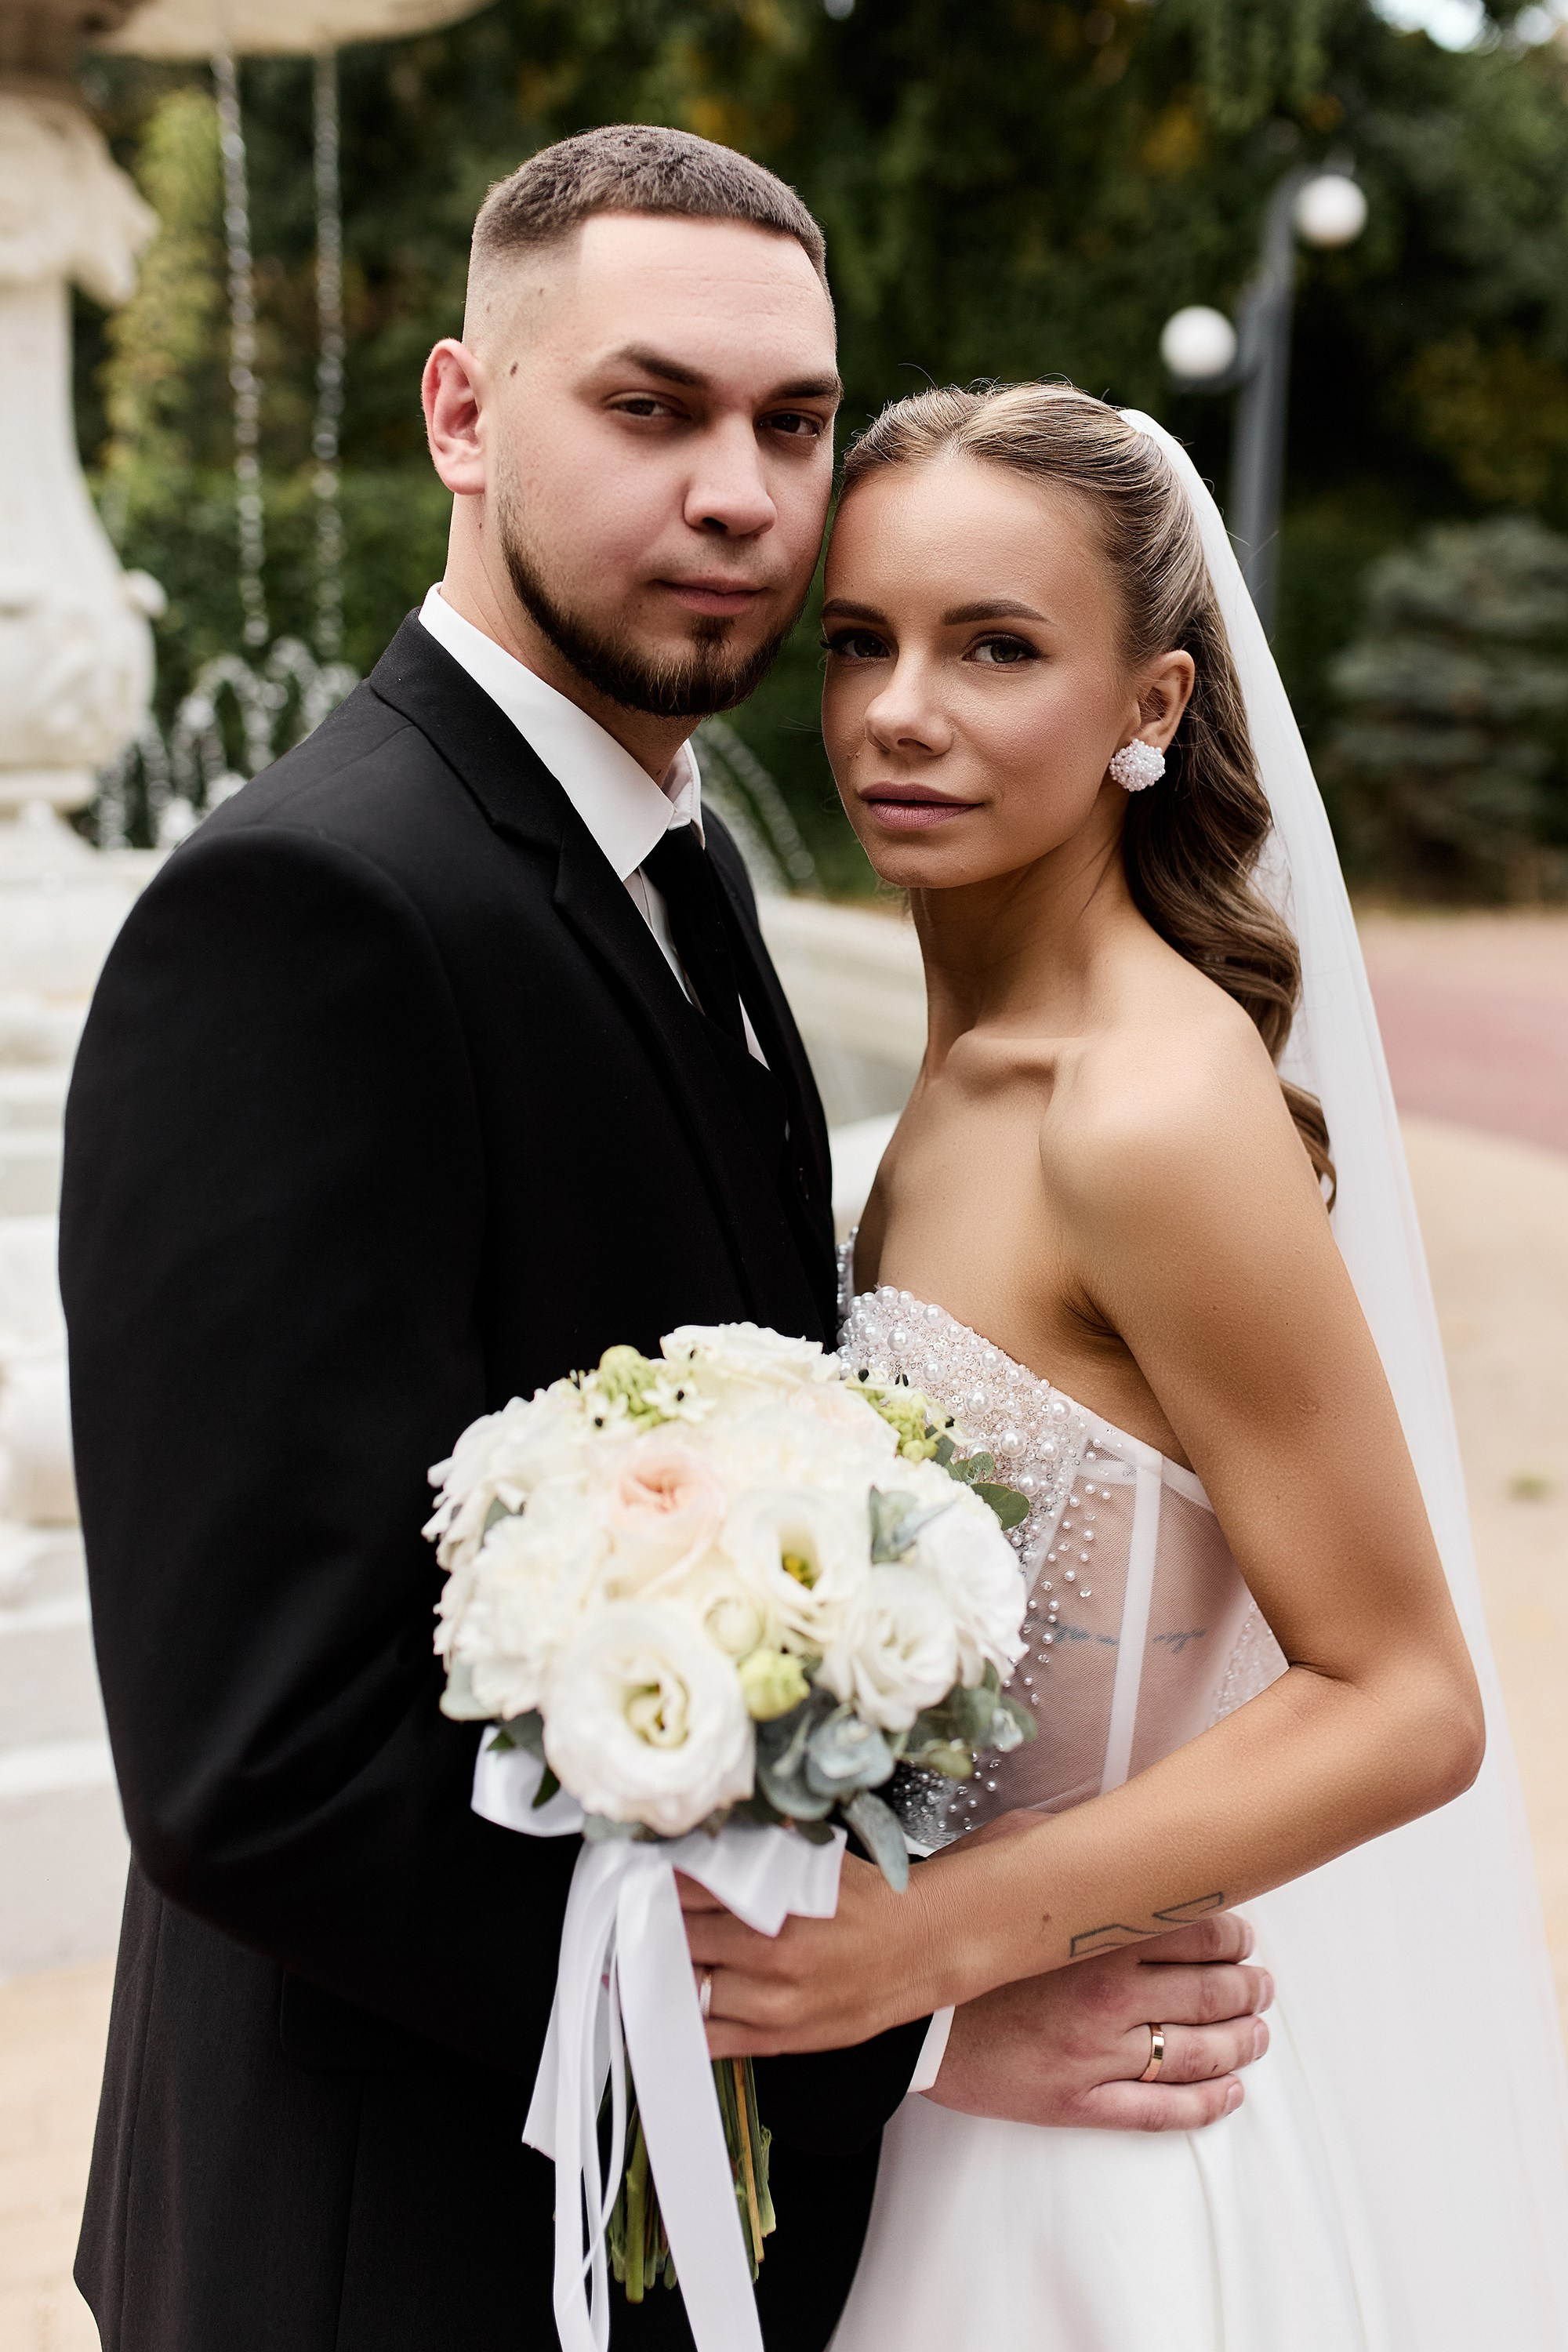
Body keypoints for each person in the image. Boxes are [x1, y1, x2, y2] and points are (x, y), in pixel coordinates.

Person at [61, 137, 1272, 2352]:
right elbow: (265, 1770)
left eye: (790, 424)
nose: (738, 490)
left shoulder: (684, 874)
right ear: (461, 413)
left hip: (639, 2233)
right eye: (650, 408)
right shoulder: (312, 913)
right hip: (387, 2243)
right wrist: (889, 2019)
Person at [681, 383, 1568, 2349]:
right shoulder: (964, 1056)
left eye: (995, 648)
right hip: (949, 2103)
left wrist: (905, 1956)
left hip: (1094, 2169)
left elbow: (1404, 1695)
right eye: (861, 642)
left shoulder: (1144, 1110)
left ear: (1151, 708)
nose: (898, 710)